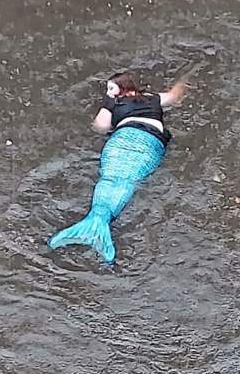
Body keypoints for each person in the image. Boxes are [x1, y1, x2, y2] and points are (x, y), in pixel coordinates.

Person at [48, 72, 187, 263]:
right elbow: (173, 96)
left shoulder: (114, 103)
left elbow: (100, 127)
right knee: (128, 179)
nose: (108, 92)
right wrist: (185, 81)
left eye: (111, 88)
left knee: (110, 177)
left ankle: (96, 220)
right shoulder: (150, 98)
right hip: (150, 143)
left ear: (123, 88)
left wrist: (108, 103)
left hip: (122, 139)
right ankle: (99, 222)